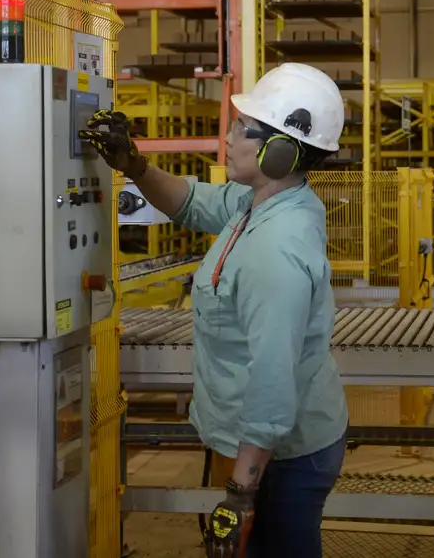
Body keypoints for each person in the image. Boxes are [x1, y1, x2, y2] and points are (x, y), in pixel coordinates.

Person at [80, 62, 350, 558]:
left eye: (240, 128)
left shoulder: (276, 250)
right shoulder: (265, 202)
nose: (226, 137)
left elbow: (272, 386)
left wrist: (239, 496)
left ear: (281, 150)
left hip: (284, 457)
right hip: (275, 452)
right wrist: (135, 167)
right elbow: (196, 202)